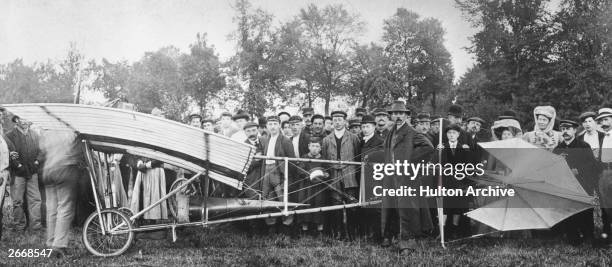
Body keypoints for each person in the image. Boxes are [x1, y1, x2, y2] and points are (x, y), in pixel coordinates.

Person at [380, 100, 434, 252]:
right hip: (391, 176)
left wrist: (409, 163)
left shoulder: (411, 132)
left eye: (401, 113)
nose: (398, 116)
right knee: (391, 206)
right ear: (391, 115)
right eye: (395, 113)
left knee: (407, 209)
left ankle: (408, 244)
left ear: (406, 116)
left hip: (406, 177)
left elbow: (428, 148)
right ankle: (389, 236)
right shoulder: (391, 133)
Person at [553, 119, 601, 245]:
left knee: (584, 211)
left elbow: (592, 165)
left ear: (574, 130)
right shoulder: (558, 148)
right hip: (566, 186)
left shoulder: (583, 146)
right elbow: (553, 167)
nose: (565, 132)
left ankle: (588, 235)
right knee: (568, 210)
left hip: (583, 184)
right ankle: (572, 237)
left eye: (568, 129)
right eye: (563, 129)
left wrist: (578, 170)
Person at [41, 131, 84, 257]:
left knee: (52, 209)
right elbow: (77, 150)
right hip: (65, 168)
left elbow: (42, 147)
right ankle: (58, 246)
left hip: (48, 170)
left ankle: (50, 243)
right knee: (65, 208)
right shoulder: (70, 130)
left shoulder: (48, 130)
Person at [321, 110, 361, 239]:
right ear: (332, 122)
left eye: (340, 119)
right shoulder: (327, 140)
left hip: (349, 175)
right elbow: (325, 160)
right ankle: (338, 233)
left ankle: (352, 234)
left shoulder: (353, 138)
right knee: (336, 205)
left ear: (345, 121)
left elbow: (357, 157)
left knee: (351, 205)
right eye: (335, 120)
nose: (337, 122)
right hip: (334, 176)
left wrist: (354, 173)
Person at [6, 115, 43, 231]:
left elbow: (42, 151)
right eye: (23, 118)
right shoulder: (9, 135)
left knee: (36, 199)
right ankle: (19, 226)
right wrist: (18, 165)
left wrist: (37, 162)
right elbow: (8, 153)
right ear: (16, 120)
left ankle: (36, 226)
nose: (25, 121)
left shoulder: (35, 135)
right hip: (17, 173)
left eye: (27, 118)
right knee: (17, 200)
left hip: (33, 172)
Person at [260, 116, 295, 230]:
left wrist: (286, 177)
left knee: (283, 199)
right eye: (270, 124)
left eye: (275, 123)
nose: (273, 126)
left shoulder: (285, 140)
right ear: (266, 127)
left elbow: (291, 161)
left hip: (279, 171)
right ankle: (271, 226)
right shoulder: (266, 139)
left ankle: (287, 227)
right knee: (268, 199)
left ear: (279, 125)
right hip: (267, 170)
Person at [441, 124, 473, 238]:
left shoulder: (464, 148)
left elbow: (468, 166)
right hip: (446, 181)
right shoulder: (442, 148)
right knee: (445, 206)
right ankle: (443, 230)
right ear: (446, 135)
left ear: (458, 134)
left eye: (454, 133)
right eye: (449, 133)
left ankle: (454, 229)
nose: (451, 135)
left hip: (459, 182)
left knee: (457, 207)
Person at [295, 136, 329, 235]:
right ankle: (304, 230)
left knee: (319, 203)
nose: (315, 148)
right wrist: (308, 175)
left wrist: (325, 175)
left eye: (317, 146)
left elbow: (327, 171)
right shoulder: (304, 157)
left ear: (320, 148)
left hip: (319, 187)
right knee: (305, 204)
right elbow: (300, 170)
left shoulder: (323, 159)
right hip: (306, 186)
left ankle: (319, 230)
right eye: (313, 146)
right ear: (309, 146)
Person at [359, 114, 384, 240]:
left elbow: (383, 156)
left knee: (376, 206)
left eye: (367, 126)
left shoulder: (379, 141)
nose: (365, 129)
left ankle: (379, 235)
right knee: (365, 206)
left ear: (374, 127)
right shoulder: (361, 140)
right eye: (363, 126)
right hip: (363, 177)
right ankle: (368, 233)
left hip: (375, 177)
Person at [596, 107, 612, 245]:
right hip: (604, 174)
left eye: (606, 119)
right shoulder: (602, 137)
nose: (604, 123)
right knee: (605, 205)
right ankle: (607, 233)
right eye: (601, 121)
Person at [242, 122, 264, 199]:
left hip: (265, 180)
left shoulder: (264, 141)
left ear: (258, 130)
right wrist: (255, 160)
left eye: (254, 130)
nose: (251, 133)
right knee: (254, 205)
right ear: (244, 133)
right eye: (248, 131)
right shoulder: (243, 146)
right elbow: (242, 167)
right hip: (251, 183)